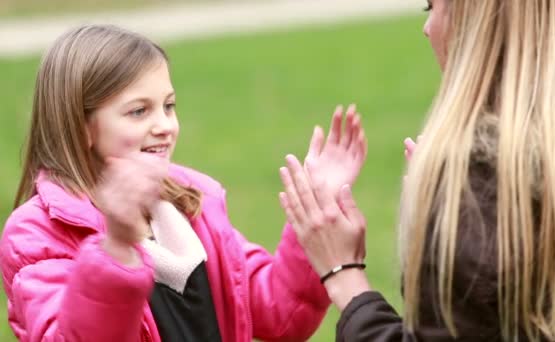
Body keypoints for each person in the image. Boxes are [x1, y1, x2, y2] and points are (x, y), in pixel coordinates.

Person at [0, 24, 368, 341]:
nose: (164, 124)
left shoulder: (194, 207)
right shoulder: (37, 235)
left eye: (169, 106)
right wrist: (115, 250)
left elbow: (282, 313)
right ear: (80, 127)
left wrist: (318, 205)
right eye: (139, 111)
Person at [278, 0, 555, 341]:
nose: (427, 28)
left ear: (473, 20)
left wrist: (344, 274)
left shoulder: (475, 195)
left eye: (430, 7)